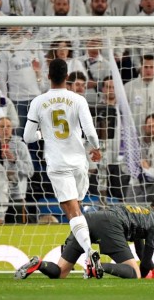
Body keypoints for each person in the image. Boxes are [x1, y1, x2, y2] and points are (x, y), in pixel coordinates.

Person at [23, 58, 103, 278]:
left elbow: (28, 137)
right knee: (75, 211)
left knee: (73, 212)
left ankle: (89, 253)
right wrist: (96, 148)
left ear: (48, 76)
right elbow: (91, 131)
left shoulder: (39, 101)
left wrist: (43, 134)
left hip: (58, 165)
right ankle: (80, 253)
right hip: (79, 164)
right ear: (67, 77)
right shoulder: (78, 99)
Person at [15, 190, 154, 280]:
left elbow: (141, 252)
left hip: (88, 219)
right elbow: (146, 259)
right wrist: (149, 273)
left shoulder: (141, 211)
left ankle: (40, 264)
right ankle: (98, 266)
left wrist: (150, 272)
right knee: (133, 273)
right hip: (111, 224)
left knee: (60, 272)